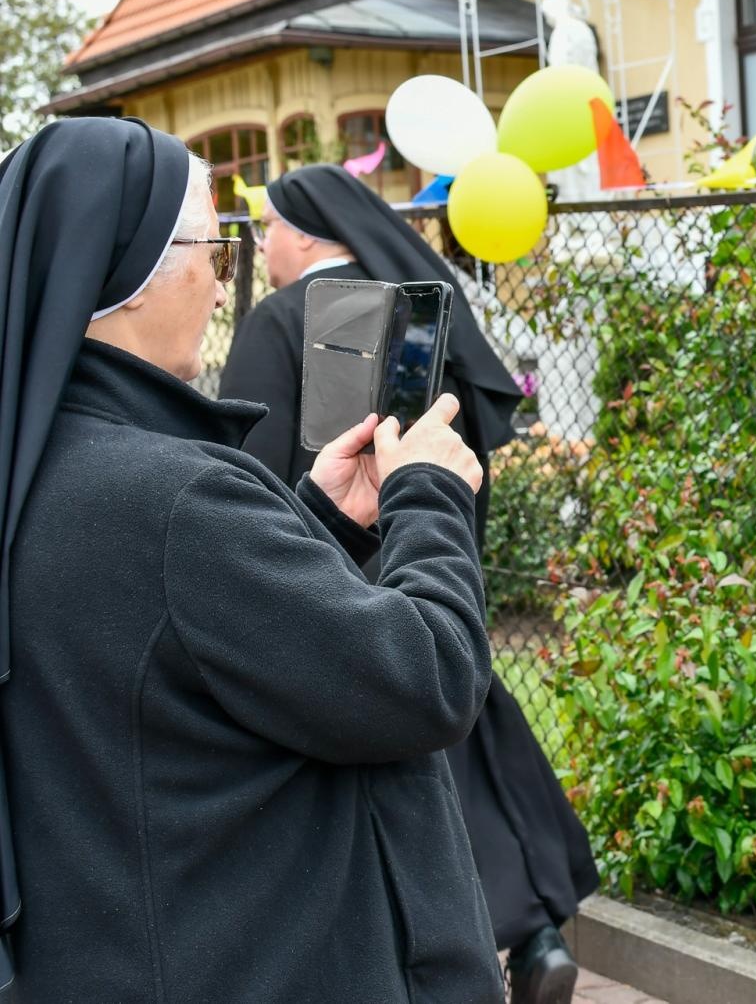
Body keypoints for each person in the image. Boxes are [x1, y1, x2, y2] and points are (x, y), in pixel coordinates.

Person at [0, 118, 503, 1000]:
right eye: (213, 252)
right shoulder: (174, 502)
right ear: (126, 275)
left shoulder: (38, 468)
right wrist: (428, 496)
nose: (220, 281)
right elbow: (424, 678)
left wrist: (320, 523)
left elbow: (182, 645)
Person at [219, 164, 598, 1004]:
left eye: (269, 228)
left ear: (305, 235)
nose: (265, 245)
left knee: (400, 791)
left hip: (328, 589)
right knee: (472, 735)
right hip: (433, 563)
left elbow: (251, 478)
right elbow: (464, 449)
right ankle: (535, 932)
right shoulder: (421, 314)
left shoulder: (280, 323)